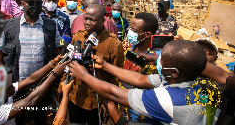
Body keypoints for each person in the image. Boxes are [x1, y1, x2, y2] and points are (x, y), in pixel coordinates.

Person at [69, 40, 220, 124]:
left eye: (163, 62)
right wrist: (106, 65)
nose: (157, 64)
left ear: (175, 72)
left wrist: (84, 76)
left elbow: (114, 94)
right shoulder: (197, 84)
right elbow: (140, 79)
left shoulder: (166, 99)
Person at [64, 4, 124, 124]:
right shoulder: (78, 36)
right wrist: (64, 84)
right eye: (86, 18)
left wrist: (108, 101)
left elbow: (115, 77)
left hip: (97, 101)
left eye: (92, 20)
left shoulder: (114, 44)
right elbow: (69, 62)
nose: (87, 23)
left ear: (103, 20)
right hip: (75, 96)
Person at [0, 56, 70, 125]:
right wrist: (54, 74)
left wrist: (52, 63)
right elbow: (30, 101)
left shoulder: (5, 93)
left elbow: (31, 80)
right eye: (8, 86)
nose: (12, 86)